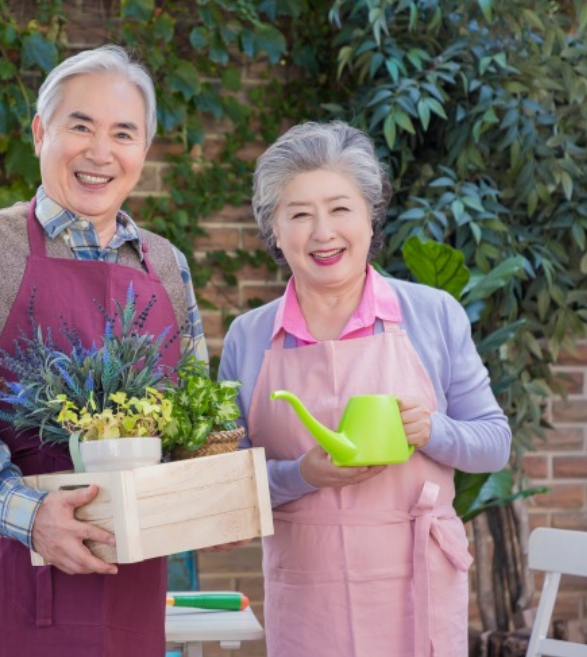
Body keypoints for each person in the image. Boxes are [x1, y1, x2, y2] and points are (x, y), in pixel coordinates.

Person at [0, 45, 207, 657]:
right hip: (2, 572)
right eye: (81, 126)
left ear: (143, 151)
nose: (101, 153)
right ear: (41, 131)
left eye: (123, 133)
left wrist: (210, 497)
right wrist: (30, 516)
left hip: (124, 575)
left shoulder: (168, 266)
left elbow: (194, 415)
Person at [219, 121, 511, 656]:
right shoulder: (251, 336)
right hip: (309, 596)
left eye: (340, 208)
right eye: (299, 214)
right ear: (275, 232)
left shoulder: (431, 315)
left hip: (415, 589)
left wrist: (432, 430)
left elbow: (494, 442)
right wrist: (301, 475)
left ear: (370, 219)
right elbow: (226, 482)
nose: (322, 232)